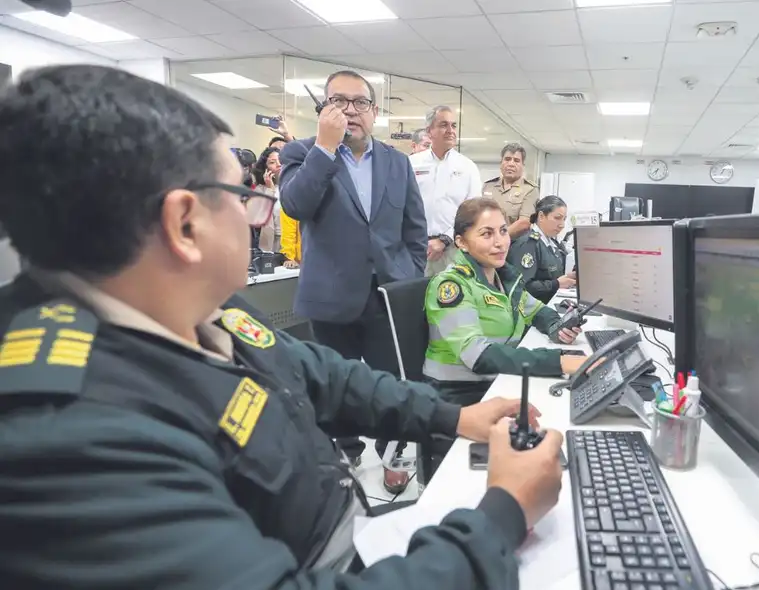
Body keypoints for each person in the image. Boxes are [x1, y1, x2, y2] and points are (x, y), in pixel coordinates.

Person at [0, 64, 564, 589]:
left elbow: (321, 375)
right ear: (184, 224)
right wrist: (503, 513)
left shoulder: (207, 309)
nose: (258, 213)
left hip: (339, 534)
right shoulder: (70, 441)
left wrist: (454, 416)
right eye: (245, 196)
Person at [280, 70, 427, 481]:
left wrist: (408, 277)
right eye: (338, 102)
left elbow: (415, 229)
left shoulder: (397, 162)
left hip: (387, 294)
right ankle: (345, 452)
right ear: (323, 109)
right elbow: (295, 205)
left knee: (391, 381)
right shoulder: (301, 152)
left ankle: (393, 452)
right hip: (330, 295)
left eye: (360, 102)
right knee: (336, 383)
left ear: (374, 111)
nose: (350, 110)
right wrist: (325, 148)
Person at [425, 198, 591, 407]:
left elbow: (537, 310)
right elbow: (479, 356)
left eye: (503, 231)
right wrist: (559, 361)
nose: (500, 242)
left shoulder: (503, 278)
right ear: (461, 242)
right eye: (487, 234)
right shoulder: (451, 285)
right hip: (458, 395)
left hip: (495, 380)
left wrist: (557, 327)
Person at [410, 105, 482, 276]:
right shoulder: (412, 163)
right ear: (429, 131)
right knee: (415, 291)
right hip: (416, 248)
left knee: (449, 291)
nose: (451, 131)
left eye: (453, 125)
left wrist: (445, 239)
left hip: (453, 250)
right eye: (444, 125)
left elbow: (473, 212)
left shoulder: (467, 167)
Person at [507, 195, 576, 304]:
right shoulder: (528, 244)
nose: (562, 225)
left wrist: (567, 278)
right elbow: (523, 287)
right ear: (541, 216)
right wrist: (556, 284)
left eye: (564, 219)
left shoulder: (552, 243)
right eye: (557, 218)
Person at [481, 143, 538, 240]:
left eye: (516, 160)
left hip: (514, 244)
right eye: (507, 159)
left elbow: (524, 223)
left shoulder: (530, 189)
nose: (511, 164)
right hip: (487, 242)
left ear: (523, 166)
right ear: (501, 163)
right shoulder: (488, 186)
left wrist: (498, 238)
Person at [252, 146, 282, 252]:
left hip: (293, 240)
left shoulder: (291, 185)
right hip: (273, 241)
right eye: (272, 162)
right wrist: (270, 190)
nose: (279, 164)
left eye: (280, 160)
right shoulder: (259, 190)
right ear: (265, 168)